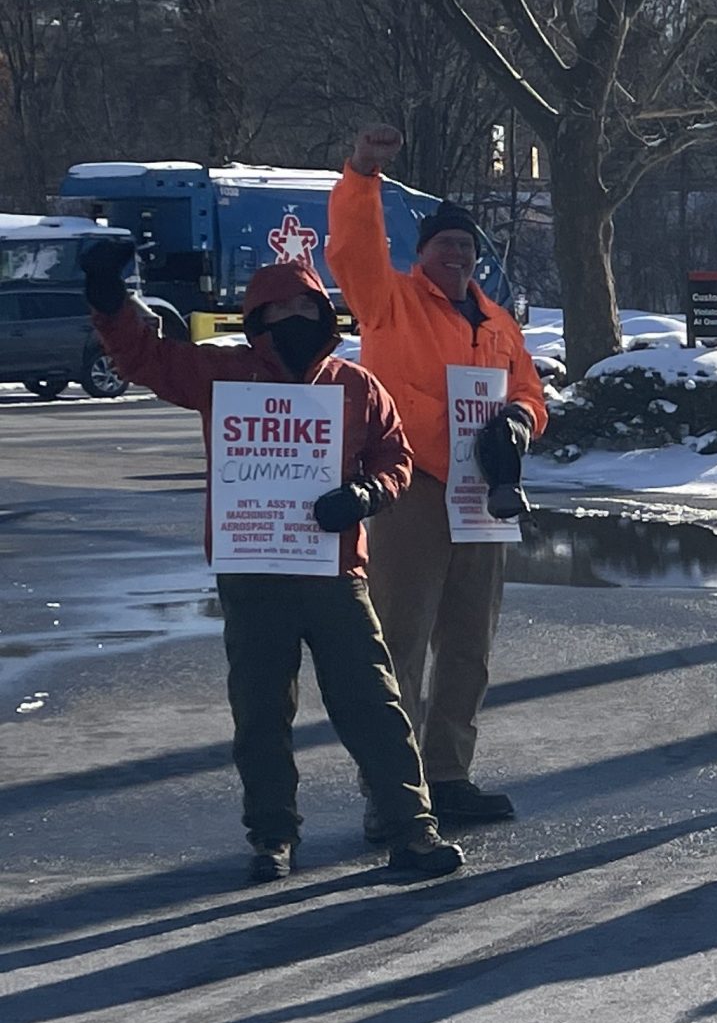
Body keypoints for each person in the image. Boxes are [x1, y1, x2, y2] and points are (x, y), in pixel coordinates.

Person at [82, 240, 465, 884]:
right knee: (260, 711)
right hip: (253, 568)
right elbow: (144, 358)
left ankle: (412, 827)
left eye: (304, 305)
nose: (293, 316)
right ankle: (272, 837)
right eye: (278, 307)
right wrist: (107, 296)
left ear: (323, 312)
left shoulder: (354, 385)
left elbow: (395, 457)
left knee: (373, 702)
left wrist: (366, 494)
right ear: (257, 318)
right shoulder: (223, 375)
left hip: (334, 570)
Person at [329, 124, 548, 835]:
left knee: (468, 643)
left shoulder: (498, 323)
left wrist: (519, 423)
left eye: (467, 247)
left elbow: (531, 395)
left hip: (483, 497)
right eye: (444, 244)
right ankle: (389, 788)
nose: (457, 254)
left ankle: (448, 774)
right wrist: (364, 174)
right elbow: (352, 249)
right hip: (412, 486)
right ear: (422, 254)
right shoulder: (389, 301)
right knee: (399, 636)